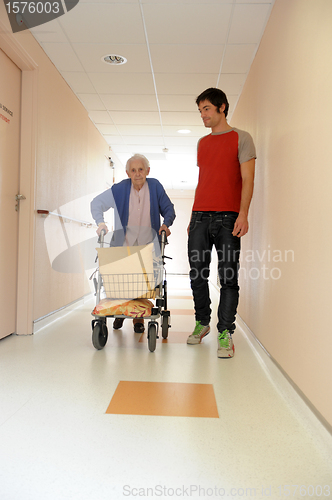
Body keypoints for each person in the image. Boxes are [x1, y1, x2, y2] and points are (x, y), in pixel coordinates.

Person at [187, 88, 256, 358]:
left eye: (206, 109)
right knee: (197, 274)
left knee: (228, 278)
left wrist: (243, 214)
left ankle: (225, 332)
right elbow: (204, 182)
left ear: (222, 108)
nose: (203, 115)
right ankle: (202, 322)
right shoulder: (202, 144)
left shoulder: (242, 138)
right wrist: (193, 216)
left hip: (228, 218)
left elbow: (248, 179)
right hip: (200, 217)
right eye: (200, 110)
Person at [91, 154, 175, 334]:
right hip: (123, 245)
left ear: (148, 171)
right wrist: (101, 223)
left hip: (148, 245)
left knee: (141, 284)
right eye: (133, 170)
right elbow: (96, 203)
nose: (137, 174)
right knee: (122, 283)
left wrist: (165, 224)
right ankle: (120, 313)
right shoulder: (119, 189)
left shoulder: (155, 186)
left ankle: (139, 319)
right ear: (128, 172)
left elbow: (169, 209)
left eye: (141, 170)